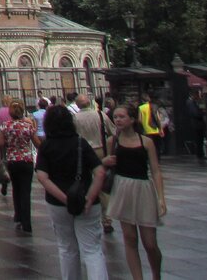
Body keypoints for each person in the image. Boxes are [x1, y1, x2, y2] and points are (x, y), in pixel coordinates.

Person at [37, 104, 108, 279]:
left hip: (58, 204)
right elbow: (100, 172)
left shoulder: (46, 146)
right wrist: (90, 198)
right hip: (86, 201)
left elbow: (42, 177)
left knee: (66, 248)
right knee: (92, 250)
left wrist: (64, 198)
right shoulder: (80, 143)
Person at [105, 102, 166, 279]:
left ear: (132, 119)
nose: (118, 120)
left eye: (122, 116)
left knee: (150, 243)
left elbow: (155, 170)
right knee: (130, 238)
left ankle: (156, 274)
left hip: (143, 189)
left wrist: (161, 198)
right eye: (115, 117)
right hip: (122, 188)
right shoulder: (112, 141)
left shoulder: (146, 142)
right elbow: (105, 165)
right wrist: (105, 161)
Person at [74, 94, 117, 234]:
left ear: (78, 105)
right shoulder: (100, 115)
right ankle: (107, 220)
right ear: (89, 103)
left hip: (83, 153)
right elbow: (113, 133)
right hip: (100, 151)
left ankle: (86, 211)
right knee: (103, 187)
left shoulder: (75, 118)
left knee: (86, 183)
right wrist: (109, 150)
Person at [1, 97, 39, 233]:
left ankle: (18, 216)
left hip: (12, 161)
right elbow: (37, 143)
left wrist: (8, 144)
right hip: (27, 161)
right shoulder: (28, 126)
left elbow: (0, 143)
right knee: (25, 191)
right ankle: (27, 222)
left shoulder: (6, 126)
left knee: (16, 189)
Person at [138, 92, 164, 158]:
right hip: (156, 130)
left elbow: (139, 120)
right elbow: (158, 118)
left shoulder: (141, 108)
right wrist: (160, 129)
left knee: (148, 146)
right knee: (156, 146)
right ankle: (157, 159)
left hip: (146, 130)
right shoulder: (155, 106)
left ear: (142, 100)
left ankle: (150, 158)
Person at [185, 90, 206, 160]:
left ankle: (200, 153)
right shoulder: (191, 102)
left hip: (196, 124)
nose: (198, 97)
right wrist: (202, 113)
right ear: (194, 95)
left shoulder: (191, 102)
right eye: (197, 95)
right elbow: (195, 113)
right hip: (197, 124)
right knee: (199, 139)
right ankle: (200, 154)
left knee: (199, 140)